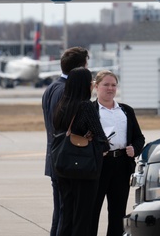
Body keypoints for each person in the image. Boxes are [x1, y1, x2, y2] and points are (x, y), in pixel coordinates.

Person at [52, 66, 109, 236]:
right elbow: (102, 140)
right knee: (82, 216)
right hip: (84, 170)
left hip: (63, 165)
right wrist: (92, 139)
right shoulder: (85, 106)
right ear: (85, 85)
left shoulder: (62, 105)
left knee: (67, 213)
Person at [41, 46, 89, 236]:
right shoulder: (66, 91)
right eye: (86, 64)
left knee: (60, 213)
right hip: (65, 158)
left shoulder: (52, 88)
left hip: (55, 157)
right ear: (79, 68)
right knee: (64, 215)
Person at [90, 70, 145, 236]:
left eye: (113, 85)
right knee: (92, 211)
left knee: (118, 213)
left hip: (121, 165)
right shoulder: (90, 110)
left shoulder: (126, 111)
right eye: (106, 85)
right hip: (99, 167)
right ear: (96, 86)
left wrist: (135, 149)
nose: (110, 88)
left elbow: (139, 137)